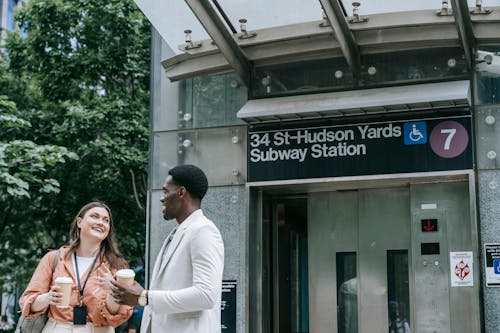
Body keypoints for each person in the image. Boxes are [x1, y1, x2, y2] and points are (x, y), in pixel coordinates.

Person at [110, 164, 225, 333]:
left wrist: (145, 297)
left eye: (165, 191)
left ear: (181, 193)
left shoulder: (203, 230)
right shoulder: (178, 232)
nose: (162, 198)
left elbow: (206, 295)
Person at [19, 202, 133, 333]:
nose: (101, 222)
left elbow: (116, 317)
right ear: (79, 222)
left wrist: (113, 291)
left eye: (106, 220)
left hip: (99, 329)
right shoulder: (53, 258)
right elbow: (27, 303)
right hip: (58, 328)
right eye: (95, 216)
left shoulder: (117, 266)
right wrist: (48, 298)